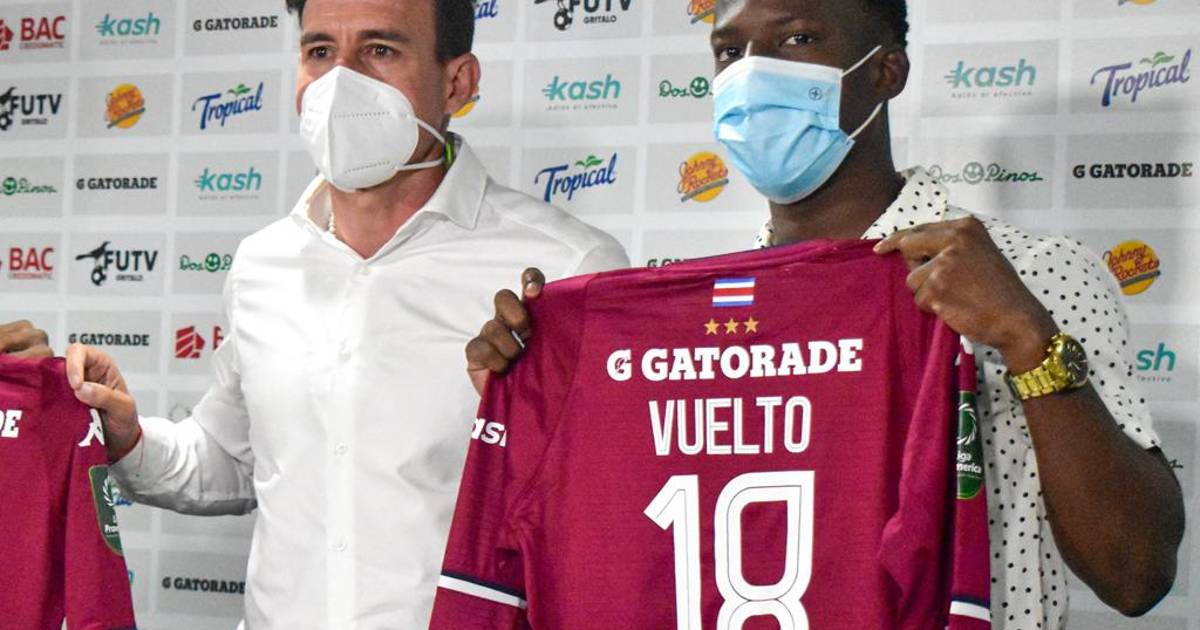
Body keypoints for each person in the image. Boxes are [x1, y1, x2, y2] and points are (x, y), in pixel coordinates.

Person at [465, 0, 1185, 627]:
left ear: (886, 72)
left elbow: (1136, 574)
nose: (754, 72)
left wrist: (1027, 338)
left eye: (798, 38)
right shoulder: (687, 325)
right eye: (729, 51)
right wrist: (535, 397)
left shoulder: (1032, 274)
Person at [60, 0, 627, 627]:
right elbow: (236, 459)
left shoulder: (567, 267)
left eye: (380, 50)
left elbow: (610, 515)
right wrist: (125, 433)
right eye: (320, 51)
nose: (340, 81)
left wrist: (526, 425)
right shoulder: (262, 263)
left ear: (457, 82)